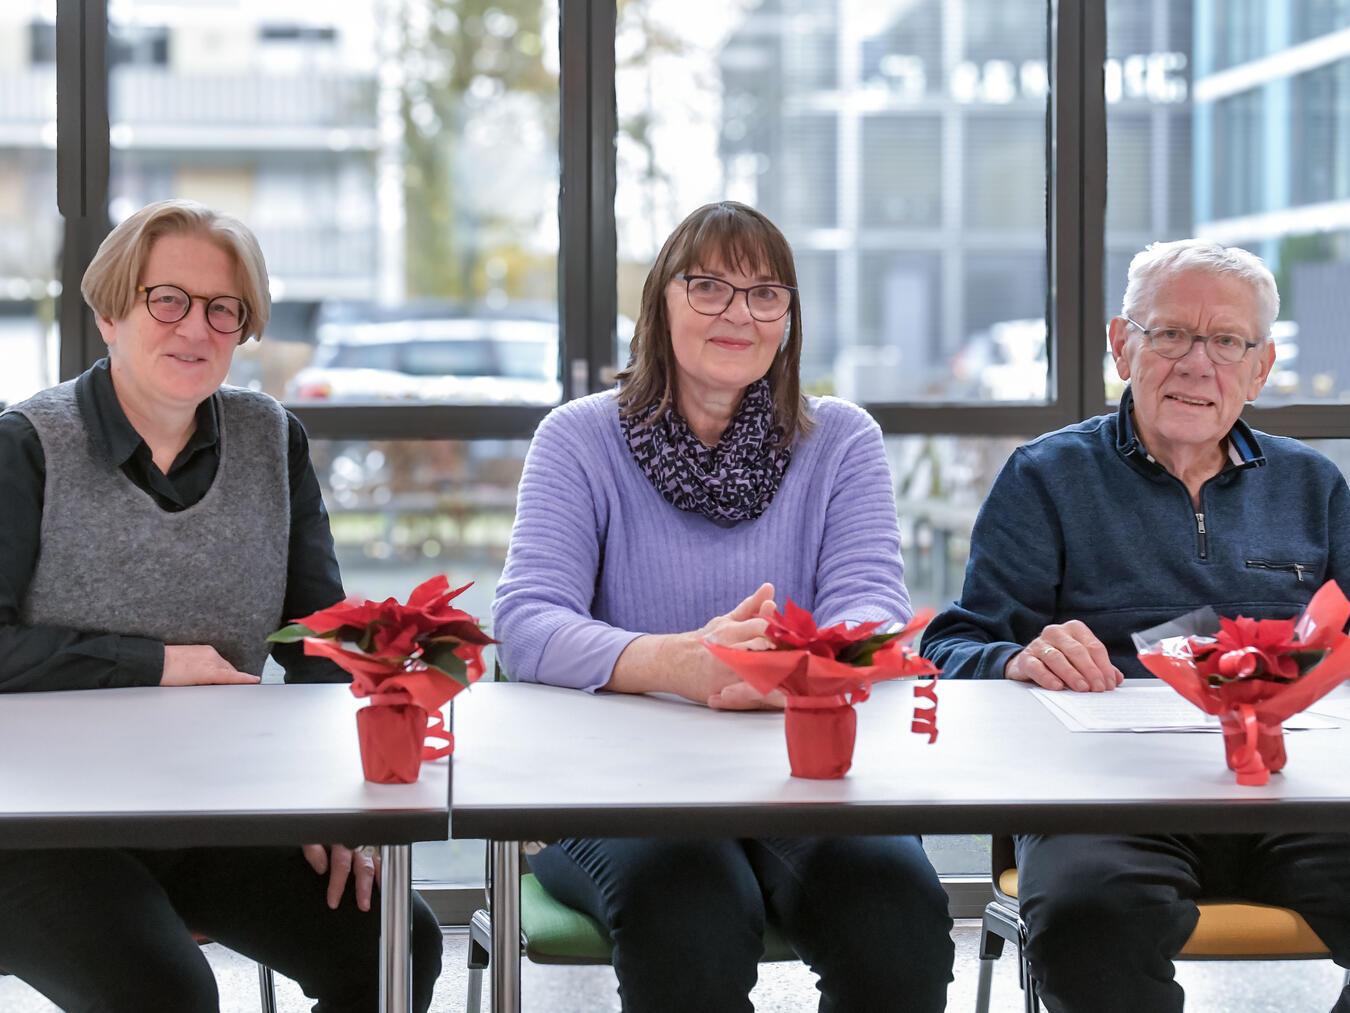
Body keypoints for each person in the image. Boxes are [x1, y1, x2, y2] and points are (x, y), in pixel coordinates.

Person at [493, 200, 953, 1012]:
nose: (738, 313)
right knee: (692, 914)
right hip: (616, 787)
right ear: (659, 303)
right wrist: (679, 662)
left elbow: (874, 609)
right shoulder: (579, 438)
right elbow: (527, 622)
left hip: (801, 773)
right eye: (708, 286)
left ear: (789, 317)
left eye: (765, 292)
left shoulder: (841, 440)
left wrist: (781, 671)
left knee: (898, 912)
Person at [0, 199, 442, 1013]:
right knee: (168, 993)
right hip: (40, 825)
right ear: (110, 312)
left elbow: (318, 643)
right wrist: (158, 666)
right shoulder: (25, 444)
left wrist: (326, 800)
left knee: (397, 943)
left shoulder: (272, 440)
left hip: (217, 806)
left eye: (222, 309)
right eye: (166, 299)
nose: (194, 328)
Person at [921, 238, 1350, 1012]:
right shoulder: (1046, 476)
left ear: (1260, 367)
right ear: (1123, 345)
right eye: (1171, 334)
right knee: (1088, 919)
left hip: (1298, 793)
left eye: (1226, 341)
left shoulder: (1313, 484)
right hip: (1105, 806)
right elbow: (951, 647)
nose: (1197, 363)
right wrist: (1018, 658)